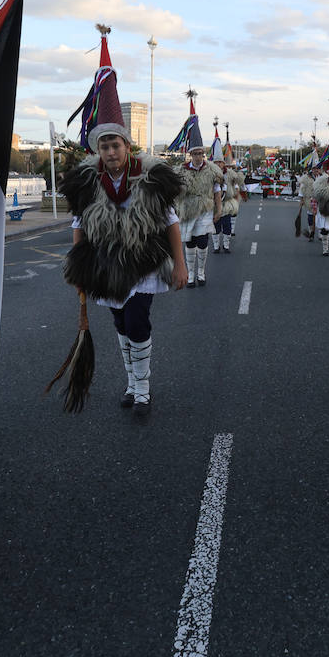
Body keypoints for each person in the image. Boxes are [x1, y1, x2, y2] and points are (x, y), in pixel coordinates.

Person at [61, 84, 184, 417]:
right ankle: (131, 383)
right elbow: (79, 227)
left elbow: (171, 222)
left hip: (144, 263)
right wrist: (79, 269)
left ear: (127, 146)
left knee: (137, 320)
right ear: (98, 150)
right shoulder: (88, 182)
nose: (110, 151)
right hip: (107, 266)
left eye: (115, 145)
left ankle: (142, 389)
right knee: (121, 324)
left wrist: (180, 265)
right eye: (104, 146)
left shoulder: (149, 178)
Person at [176, 131, 222, 287]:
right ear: (190, 155)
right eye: (195, 154)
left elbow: (217, 191)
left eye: (200, 154)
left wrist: (219, 210)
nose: (198, 157)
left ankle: (201, 273)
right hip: (188, 210)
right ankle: (190, 275)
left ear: (204, 154)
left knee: (202, 242)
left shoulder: (212, 170)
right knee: (190, 242)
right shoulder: (181, 170)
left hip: (205, 209)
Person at [298, 165, 322, 242]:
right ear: (312, 169)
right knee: (310, 217)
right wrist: (302, 199)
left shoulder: (322, 177)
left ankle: (320, 233)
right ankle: (311, 232)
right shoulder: (306, 178)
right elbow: (302, 188)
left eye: (317, 169)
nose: (316, 170)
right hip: (310, 199)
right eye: (314, 169)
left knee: (320, 217)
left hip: (320, 200)